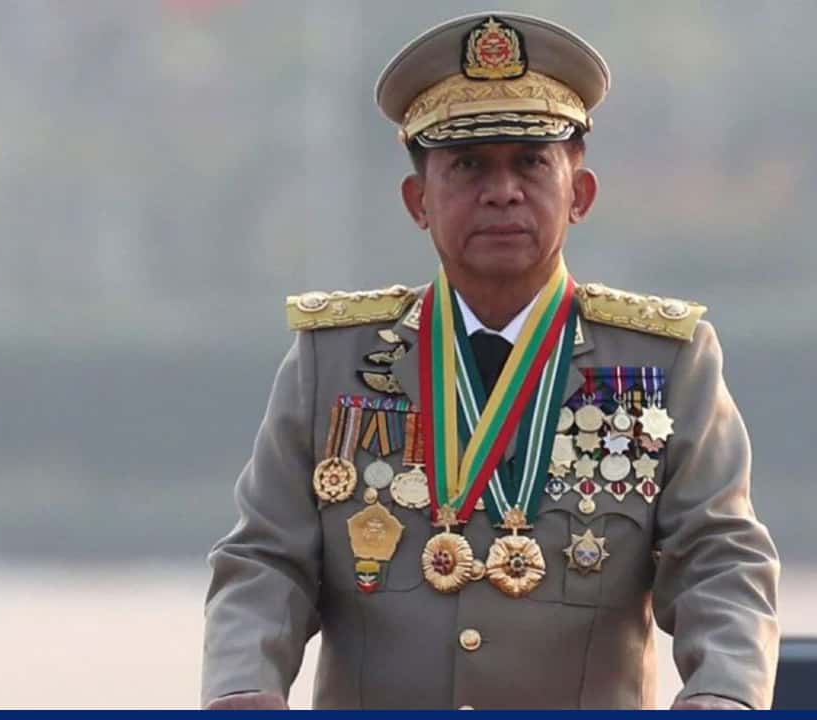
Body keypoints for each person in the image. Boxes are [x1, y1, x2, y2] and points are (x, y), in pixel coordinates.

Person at [202, 11, 779, 710]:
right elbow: (265, 561)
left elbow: (721, 561)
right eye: (469, 166)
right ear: (418, 200)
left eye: (530, 163)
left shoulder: (663, 363)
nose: (501, 191)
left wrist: (725, 694)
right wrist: (243, 687)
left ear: (580, 194)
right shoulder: (335, 361)